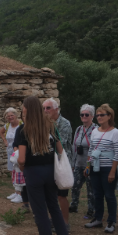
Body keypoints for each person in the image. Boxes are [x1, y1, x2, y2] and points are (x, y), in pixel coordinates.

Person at [16, 96, 69, 235]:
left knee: (40, 211)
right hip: (50, 171)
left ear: (26, 109)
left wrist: (22, 168)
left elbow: (22, 158)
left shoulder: (23, 129)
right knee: (54, 207)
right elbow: (60, 150)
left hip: (33, 172)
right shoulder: (50, 126)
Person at [84, 104, 118, 233]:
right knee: (97, 194)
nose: (99, 117)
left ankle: (111, 221)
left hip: (107, 167)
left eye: (102, 115)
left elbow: (117, 153)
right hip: (95, 167)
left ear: (109, 116)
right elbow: (91, 149)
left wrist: (112, 171)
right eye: (98, 115)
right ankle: (98, 218)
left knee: (109, 195)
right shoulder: (95, 131)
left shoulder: (115, 132)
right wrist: (88, 165)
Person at [43, 98, 72, 228]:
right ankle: (52, 219)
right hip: (49, 163)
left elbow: (61, 144)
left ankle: (65, 222)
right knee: (50, 194)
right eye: (43, 108)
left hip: (61, 163)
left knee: (61, 195)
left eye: (48, 108)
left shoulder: (65, 123)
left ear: (56, 109)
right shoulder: (44, 124)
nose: (45, 111)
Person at [69, 104, 97, 218]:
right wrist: (73, 163)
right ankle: (74, 205)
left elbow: (95, 147)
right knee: (75, 185)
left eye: (87, 114)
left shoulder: (96, 130)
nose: (84, 116)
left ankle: (91, 210)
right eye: (82, 114)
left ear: (92, 116)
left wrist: (89, 165)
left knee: (91, 189)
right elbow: (74, 146)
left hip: (90, 164)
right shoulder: (79, 129)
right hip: (78, 163)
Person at [0, 107, 23, 202]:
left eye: (12, 115)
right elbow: (1, 132)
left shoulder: (21, 124)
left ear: (16, 115)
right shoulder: (7, 126)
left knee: (19, 171)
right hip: (10, 151)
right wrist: (4, 140)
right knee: (12, 171)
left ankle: (21, 194)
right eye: (8, 116)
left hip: (19, 152)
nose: (10, 117)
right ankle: (16, 191)